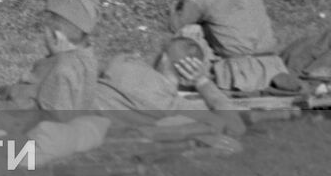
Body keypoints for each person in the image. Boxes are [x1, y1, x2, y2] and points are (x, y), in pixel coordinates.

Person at [94, 36, 245, 137]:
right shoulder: (173, 107)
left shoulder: (121, 64)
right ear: (186, 80)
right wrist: (203, 82)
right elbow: (235, 126)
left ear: (164, 58)